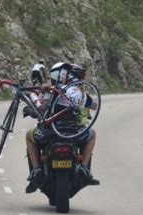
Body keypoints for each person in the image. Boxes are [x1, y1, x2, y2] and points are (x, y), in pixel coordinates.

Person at [25, 62, 99, 193]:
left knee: (29, 136)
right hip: (74, 134)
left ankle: (36, 169)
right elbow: (94, 106)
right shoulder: (81, 93)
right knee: (92, 134)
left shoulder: (55, 90)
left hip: (51, 133)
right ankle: (84, 167)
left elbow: (42, 107)